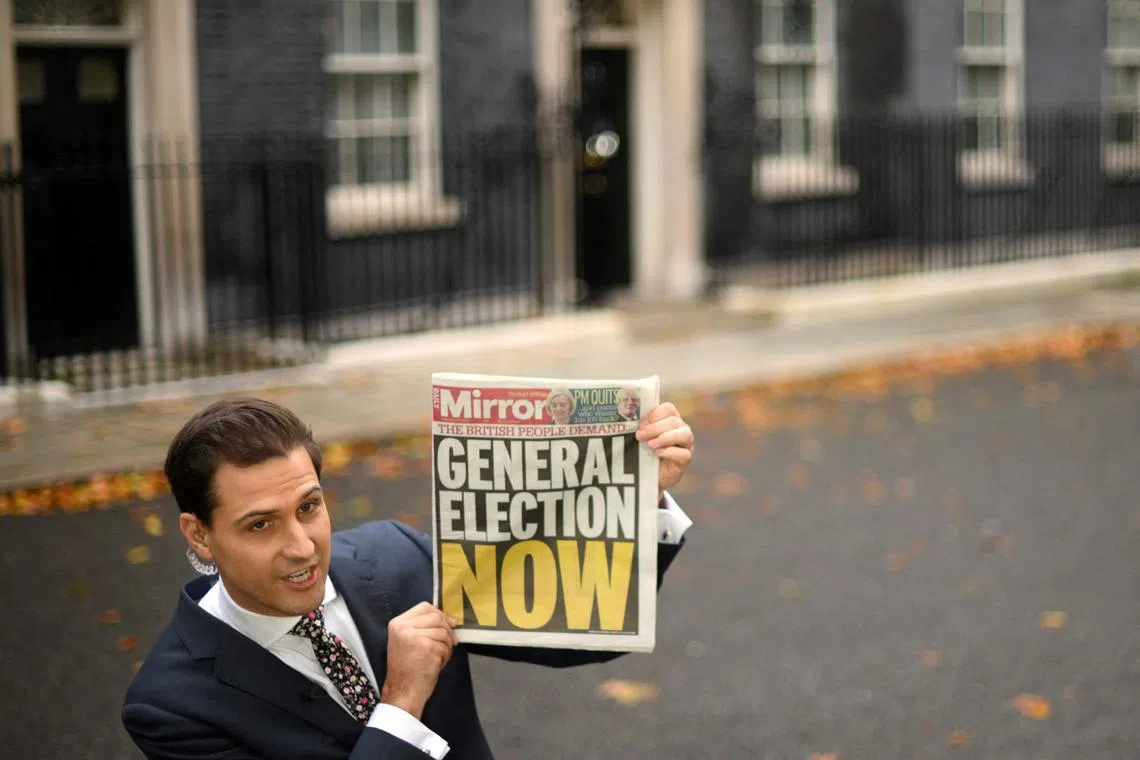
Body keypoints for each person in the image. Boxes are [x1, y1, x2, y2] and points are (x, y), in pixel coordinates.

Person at [122, 396, 695, 759]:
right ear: (199, 534)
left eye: (310, 507)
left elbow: (578, 635)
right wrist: (401, 702)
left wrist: (642, 497)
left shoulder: (391, 557)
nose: (300, 546)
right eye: (260, 525)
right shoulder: (171, 709)